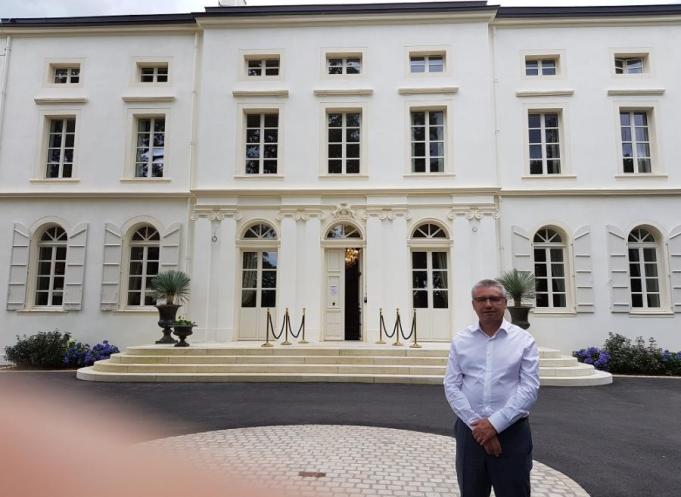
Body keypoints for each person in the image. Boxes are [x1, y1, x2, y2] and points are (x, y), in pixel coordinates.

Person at [444, 279, 540, 497]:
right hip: (470, 433)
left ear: (504, 303)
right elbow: (451, 385)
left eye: (494, 299)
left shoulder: (524, 341)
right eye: (482, 299)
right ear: (473, 304)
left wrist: (494, 425)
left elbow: (529, 389)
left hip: (512, 433)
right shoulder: (461, 341)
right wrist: (479, 427)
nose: (488, 304)